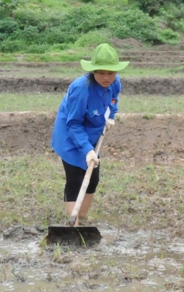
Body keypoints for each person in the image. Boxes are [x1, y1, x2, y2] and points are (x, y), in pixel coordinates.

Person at [51, 44, 127, 222]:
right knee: (76, 179)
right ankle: (73, 224)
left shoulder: (115, 82)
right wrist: (87, 150)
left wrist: (111, 116)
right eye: (101, 73)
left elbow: (113, 101)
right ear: (93, 71)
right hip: (70, 135)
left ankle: (82, 218)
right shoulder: (81, 89)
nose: (106, 78)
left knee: (92, 179)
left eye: (111, 72)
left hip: (93, 133)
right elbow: (74, 123)